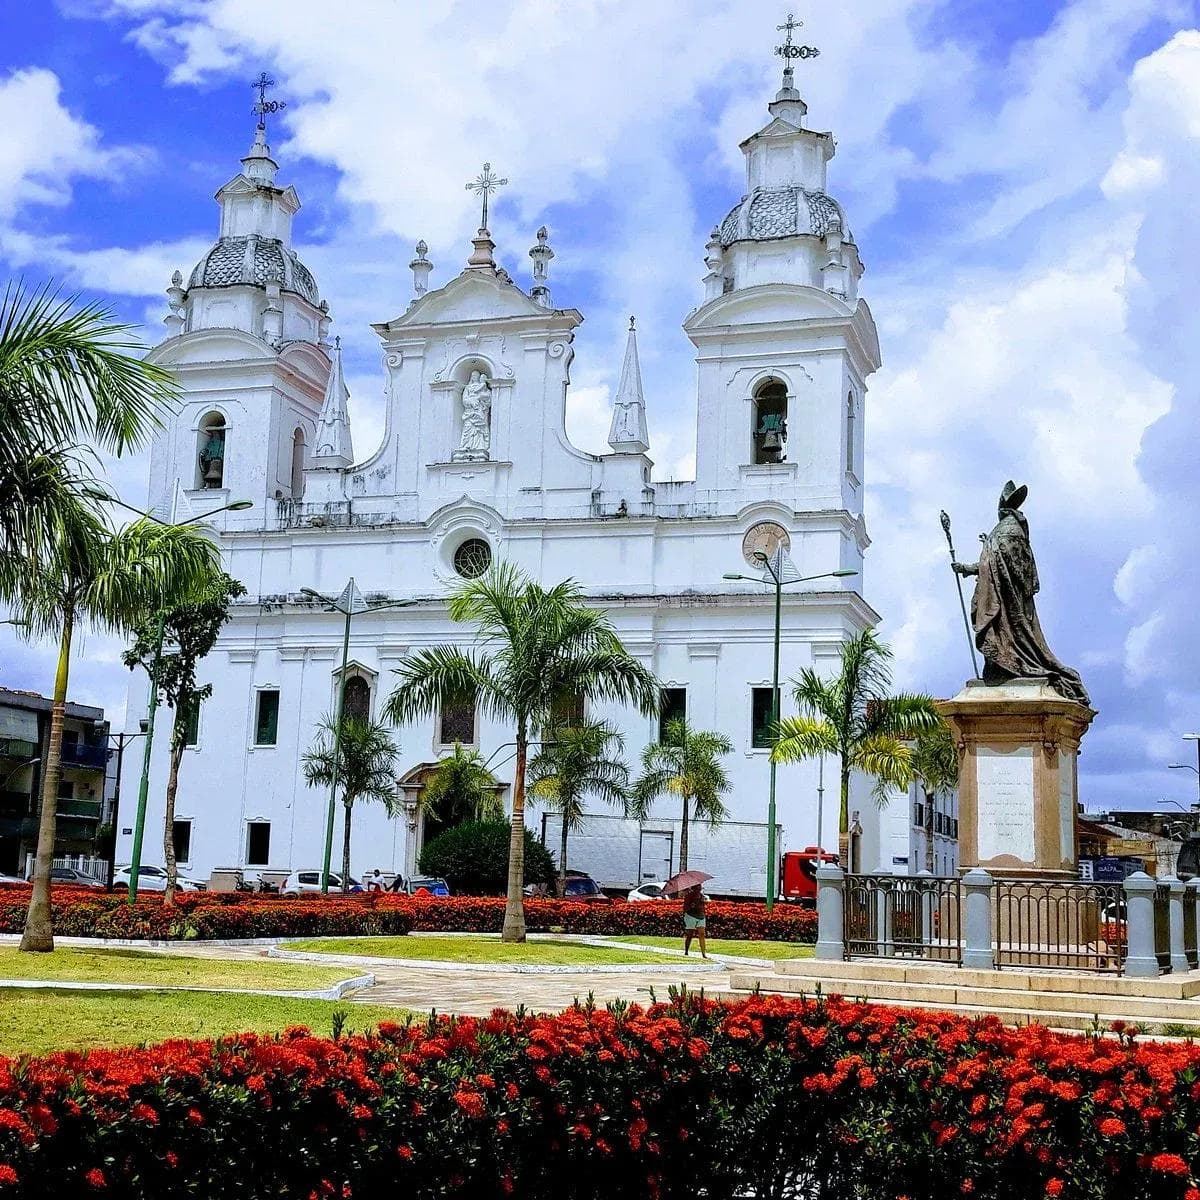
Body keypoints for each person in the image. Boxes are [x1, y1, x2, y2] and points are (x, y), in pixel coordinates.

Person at [682, 884, 708, 958]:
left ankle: (703, 954)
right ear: (694, 888)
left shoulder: (701, 896)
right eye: (698, 887)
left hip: (701, 916)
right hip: (691, 916)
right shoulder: (689, 895)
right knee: (690, 935)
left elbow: (703, 907)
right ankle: (686, 951)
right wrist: (691, 906)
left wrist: (702, 902)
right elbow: (685, 908)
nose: (699, 889)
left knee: (702, 934)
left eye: (700, 887)